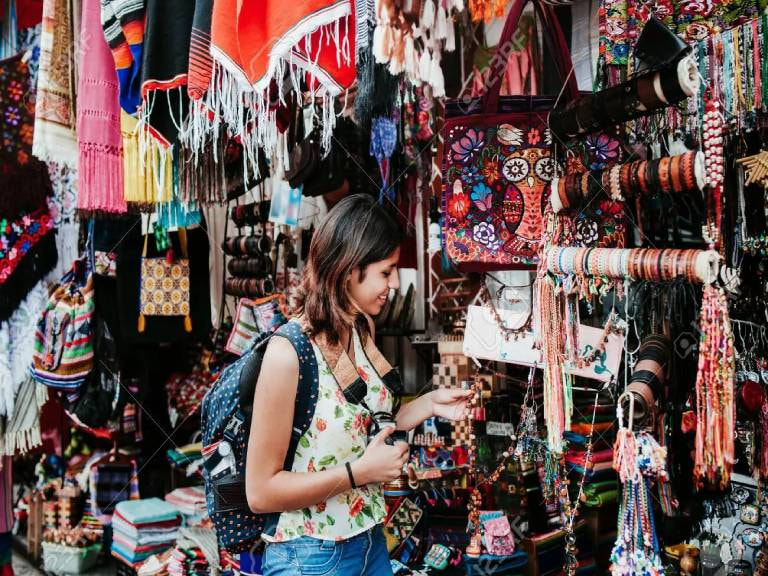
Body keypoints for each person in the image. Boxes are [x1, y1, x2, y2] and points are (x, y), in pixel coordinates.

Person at [246, 194, 472, 576]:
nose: (395, 283)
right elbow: (260, 492)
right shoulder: (288, 353)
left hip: (369, 541)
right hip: (310, 556)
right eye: (386, 272)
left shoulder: (359, 327)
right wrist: (358, 475)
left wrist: (431, 402)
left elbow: (367, 419)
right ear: (351, 270)